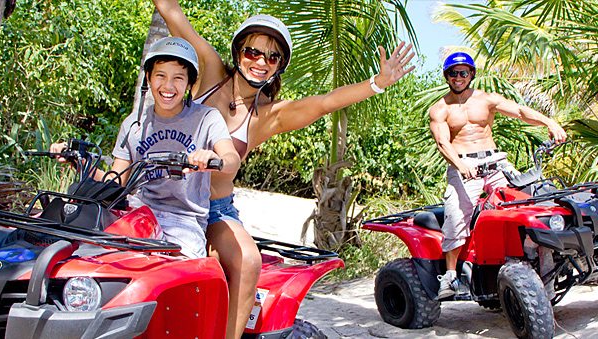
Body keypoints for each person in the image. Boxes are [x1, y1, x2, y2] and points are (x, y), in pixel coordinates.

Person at [152, 1, 416, 338]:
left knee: (248, 260)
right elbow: (173, 13)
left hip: (212, 211)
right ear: (238, 52)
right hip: (157, 193)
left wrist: (378, 82)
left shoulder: (268, 115)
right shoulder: (211, 73)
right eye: (253, 52)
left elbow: (325, 102)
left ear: (279, 67)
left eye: (272, 57)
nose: (260, 61)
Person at [51, 37, 241, 259]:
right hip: (138, 212)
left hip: (184, 221)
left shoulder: (206, 118)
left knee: (174, 273)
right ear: (148, 78)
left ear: (189, 84)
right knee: (87, 253)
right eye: (160, 75)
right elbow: (117, 182)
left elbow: (232, 159)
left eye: (178, 78)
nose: (168, 86)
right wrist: (80, 163)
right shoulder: (134, 124)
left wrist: (212, 158)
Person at [428, 51, 567, 299]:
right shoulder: (440, 109)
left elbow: (521, 112)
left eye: (463, 72)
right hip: (464, 166)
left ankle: (536, 263)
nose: (458, 77)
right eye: (453, 73)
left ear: (471, 73)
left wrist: (549, 123)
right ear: (446, 76)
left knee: (526, 203)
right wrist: (460, 165)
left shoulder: (486, 99)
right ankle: (449, 277)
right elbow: (442, 143)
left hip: (495, 164)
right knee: (455, 215)